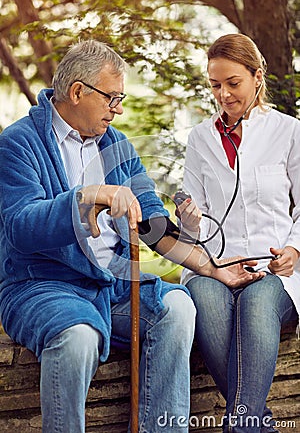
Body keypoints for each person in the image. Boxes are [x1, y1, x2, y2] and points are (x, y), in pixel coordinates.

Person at [0, 39, 263, 433]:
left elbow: (153, 224)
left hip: (115, 285)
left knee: (178, 308)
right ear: (77, 92)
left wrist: (212, 269)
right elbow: (21, 227)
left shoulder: (116, 144)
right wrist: (87, 197)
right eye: (112, 97)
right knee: (77, 337)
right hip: (44, 286)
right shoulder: (17, 143)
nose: (118, 108)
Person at [177, 33, 300, 433]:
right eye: (215, 84)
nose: (224, 94)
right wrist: (190, 217)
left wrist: (294, 250)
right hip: (215, 266)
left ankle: (241, 424)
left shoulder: (288, 131)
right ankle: (252, 423)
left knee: (255, 306)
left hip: (272, 270)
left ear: (257, 77)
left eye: (234, 83)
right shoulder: (199, 138)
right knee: (202, 298)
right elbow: (194, 225)